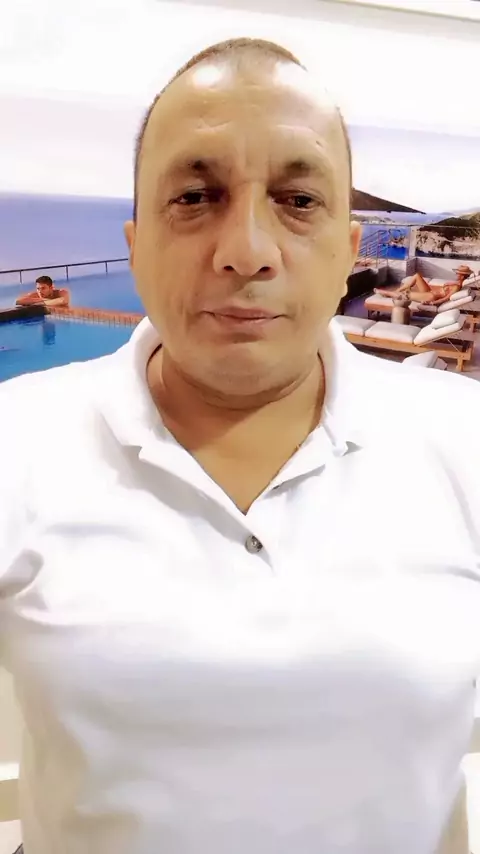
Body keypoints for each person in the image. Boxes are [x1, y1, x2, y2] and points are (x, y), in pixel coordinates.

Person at [1, 37, 479, 854]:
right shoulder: (19, 442)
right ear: (136, 243)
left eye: (298, 200)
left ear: (349, 252)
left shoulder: (463, 441)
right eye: (195, 197)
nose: (247, 252)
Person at [374, 265, 473, 305]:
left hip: (431, 296)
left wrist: (431, 303)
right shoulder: (457, 283)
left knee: (406, 295)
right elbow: (446, 287)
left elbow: (445, 299)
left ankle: (385, 292)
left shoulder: (456, 287)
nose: (456, 274)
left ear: (462, 276)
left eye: (458, 273)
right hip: (430, 292)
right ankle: (396, 292)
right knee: (417, 276)